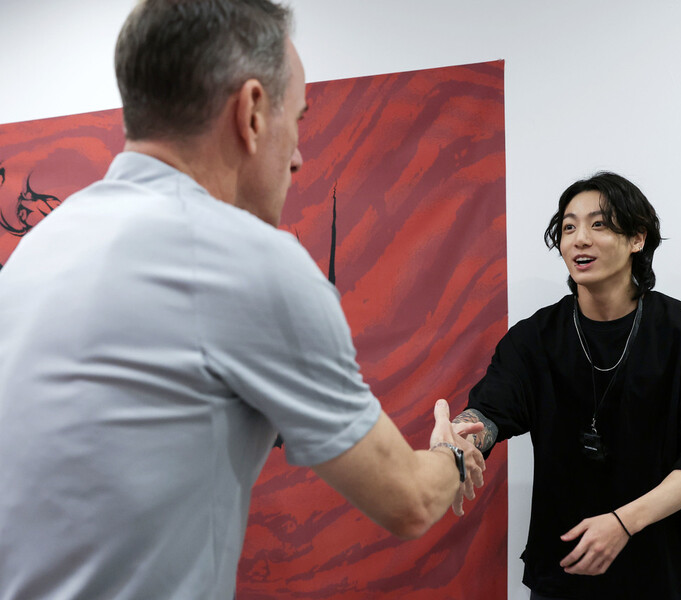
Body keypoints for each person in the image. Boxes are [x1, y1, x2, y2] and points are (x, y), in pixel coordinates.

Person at [0, 1, 484, 598]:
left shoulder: (41, 248)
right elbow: (407, 500)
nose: (299, 154)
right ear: (252, 111)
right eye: (298, 119)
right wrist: (451, 457)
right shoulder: (247, 258)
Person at [453, 172, 681, 599]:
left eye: (598, 225)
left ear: (637, 238)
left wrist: (622, 522)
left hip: (662, 571)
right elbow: (491, 411)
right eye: (569, 227)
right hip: (566, 571)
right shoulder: (535, 338)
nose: (579, 239)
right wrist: (463, 435)